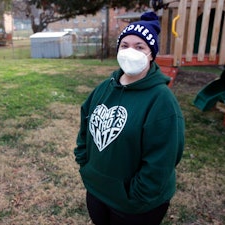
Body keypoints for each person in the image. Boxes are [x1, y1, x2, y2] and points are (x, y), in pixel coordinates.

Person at [74, 11, 185, 225]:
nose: (130, 51)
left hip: (135, 207)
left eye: (139, 46)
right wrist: (84, 162)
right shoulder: (105, 87)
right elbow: (85, 125)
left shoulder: (162, 101)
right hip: (97, 190)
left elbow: (162, 161)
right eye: (124, 45)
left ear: (151, 54)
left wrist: (135, 195)